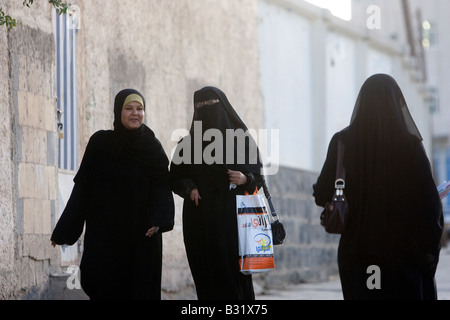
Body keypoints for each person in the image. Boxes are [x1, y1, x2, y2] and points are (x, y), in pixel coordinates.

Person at [313, 74, 444, 300]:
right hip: (404, 260)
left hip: (358, 257)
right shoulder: (410, 147)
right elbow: (429, 208)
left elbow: (322, 194)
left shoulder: (342, 142)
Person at [51, 88, 175, 300]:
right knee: (103, 286)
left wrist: (159, 220)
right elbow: (83, 189)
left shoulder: (152, 147)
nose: (135, 113)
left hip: (141, 235)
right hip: (105, 234)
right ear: (118, 111)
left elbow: (162, 186)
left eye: (139, 109)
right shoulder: (100, 143)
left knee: (138, 290)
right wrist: (65, 229)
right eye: (129, 108)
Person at [170, 86, 263, 300]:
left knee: (234, 277)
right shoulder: (187, 145)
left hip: (235, 223)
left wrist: (244, 178)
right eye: (201, 107)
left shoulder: (242, 140)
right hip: (200, 221)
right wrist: (189, 187)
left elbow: (258, 176)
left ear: (223, 107)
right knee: (206, 276)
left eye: (212, 105)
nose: (207, 111)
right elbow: (174, 177)